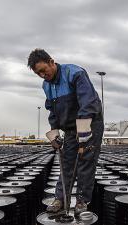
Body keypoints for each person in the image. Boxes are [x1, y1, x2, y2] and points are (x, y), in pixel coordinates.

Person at [27, 48, 104, 214]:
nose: (42, 75)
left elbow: (88, 102)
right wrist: (54, 132)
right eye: (38, 73)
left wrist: (83, 131)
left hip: (90, 122)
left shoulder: (74, 73)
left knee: (85, 162)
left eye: (43, 70)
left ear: (51, 62)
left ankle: (82, 201)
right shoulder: (46, 85)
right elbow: (52, 109)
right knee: (67, 163)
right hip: (70, 127)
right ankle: (61, 199)